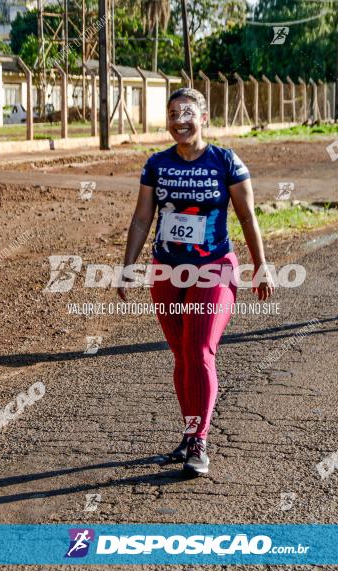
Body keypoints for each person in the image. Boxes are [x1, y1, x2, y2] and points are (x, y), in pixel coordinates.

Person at [118, 88, 274, 477]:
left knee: (201, 349)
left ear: (204, 117)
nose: (179, 121)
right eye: (173, 114)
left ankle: (199, 440)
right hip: (167, 272)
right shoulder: (156, 164)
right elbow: (141, 219)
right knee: (182, 355)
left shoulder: (226, 161)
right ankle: (189, 433)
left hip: (213, 268)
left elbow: (248, 216)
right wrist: (127, 266)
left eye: (187, 113)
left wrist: (261, 264)